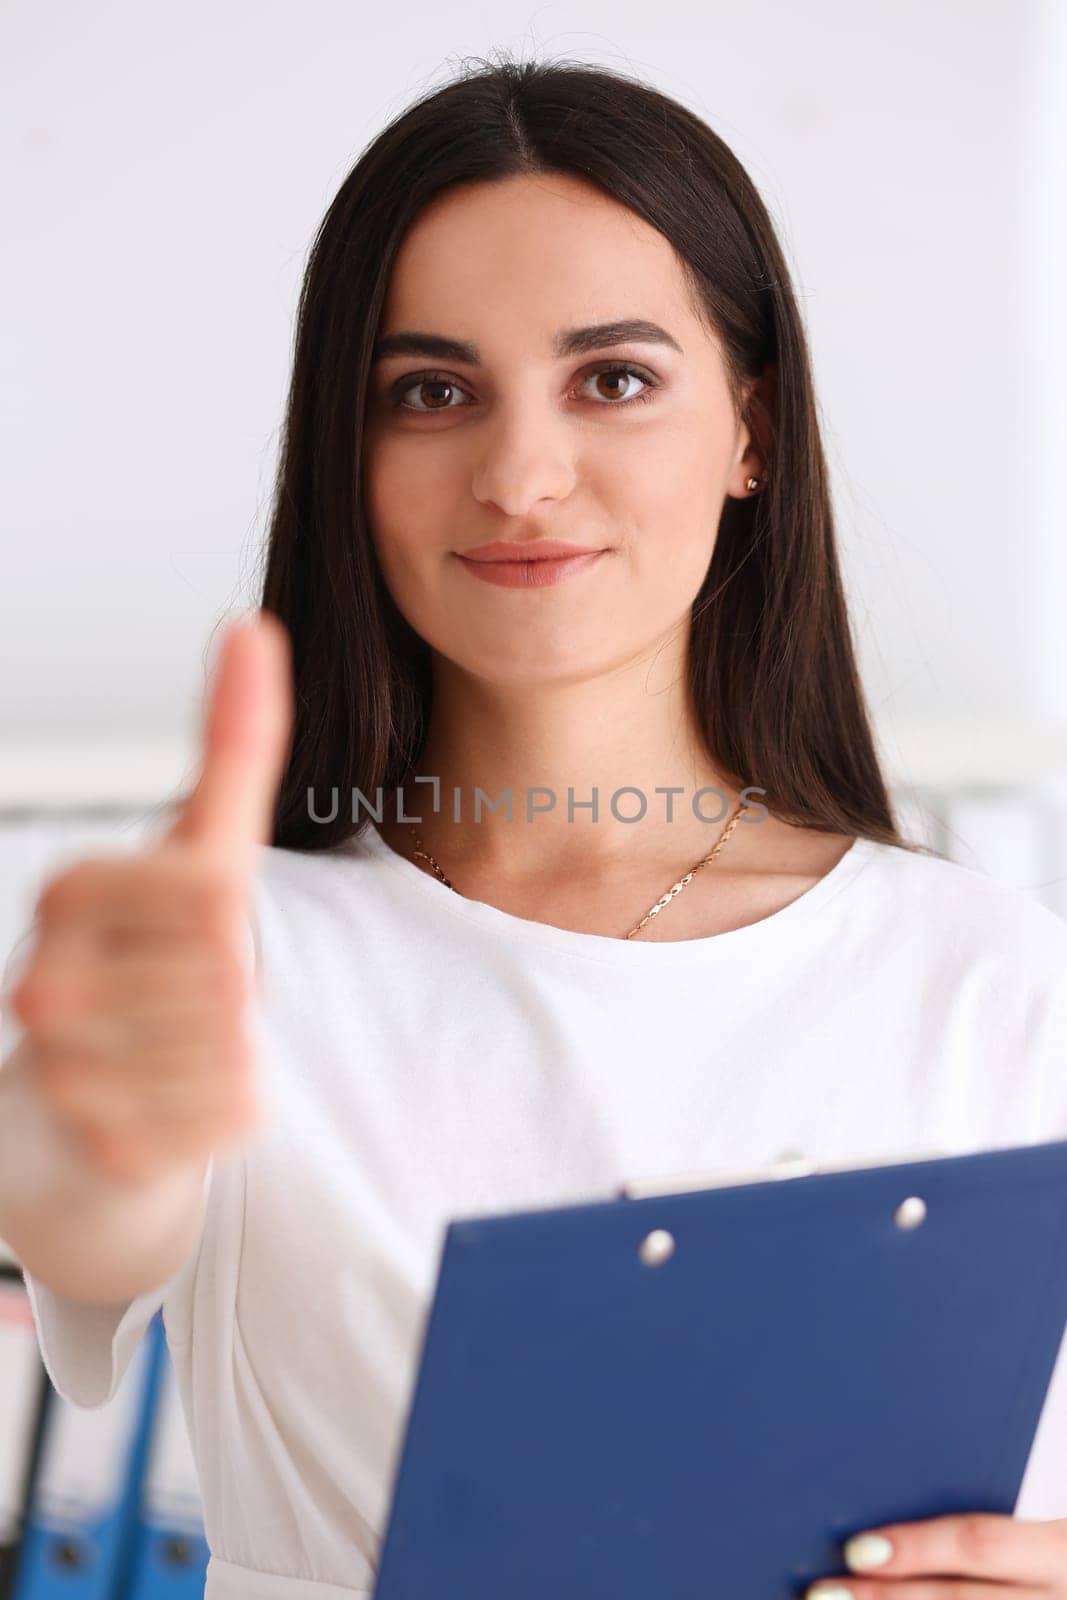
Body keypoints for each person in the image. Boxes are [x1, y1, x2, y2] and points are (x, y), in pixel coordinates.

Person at [4, 53, 1067, 1600]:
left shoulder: (992, 980)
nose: (518, 474)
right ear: (350, 456)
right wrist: (76, 1115)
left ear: (752, 431)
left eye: (614, 379)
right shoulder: (229, 958)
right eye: (431, 392)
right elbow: (81, 1207)